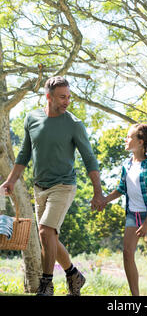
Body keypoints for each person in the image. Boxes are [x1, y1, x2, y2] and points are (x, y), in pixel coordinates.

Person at [2, 76, 105, 296]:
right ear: (48, 97)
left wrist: (98, 192)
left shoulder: (74, 124)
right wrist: (11, 180)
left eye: (68, 97)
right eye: (62, 97)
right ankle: (74, 275)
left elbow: (89, 158)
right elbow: (24, 153)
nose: (66, 101)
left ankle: (46, 284)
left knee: (46, 230)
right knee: (47, 236)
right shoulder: (32, 119)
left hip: (64, 185)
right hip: (40, 187)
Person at [103, 123, 147, 296]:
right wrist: (104, 200)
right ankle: (135, 296)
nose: (126, 139)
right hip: (133, 215)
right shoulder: (127, 164)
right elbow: (121, 188)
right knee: (127, 254)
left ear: (140, 142)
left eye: (129, 137)